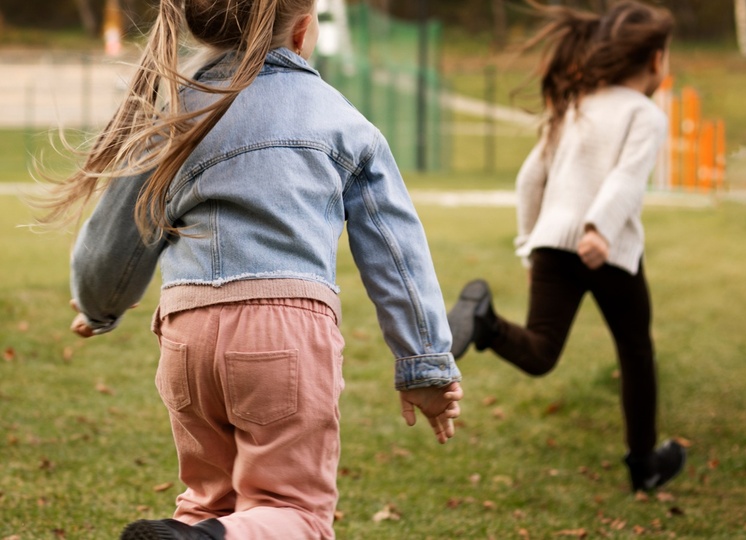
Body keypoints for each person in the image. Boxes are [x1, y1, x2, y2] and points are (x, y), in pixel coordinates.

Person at [35, 0, 463, 538]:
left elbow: (117, 232)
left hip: (186, 336)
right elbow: (398, 256)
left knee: (209, 504)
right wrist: (424, 365)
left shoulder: (176, 114)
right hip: (285, 331)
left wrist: (98, 305)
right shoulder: (342, 121)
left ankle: (194, 533)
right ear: (305, 31)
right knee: (295, 510)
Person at [447, 0, 684, 493]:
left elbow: (529, 178)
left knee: (541, 352)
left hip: (551, 244)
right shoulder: (645, 114)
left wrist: (529, 246)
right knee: (636, 351)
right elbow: (627, 178)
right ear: (656, 60)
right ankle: (645, 465)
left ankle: (486, 322)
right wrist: (598, 228)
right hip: (605, 250)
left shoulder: (576, 104)